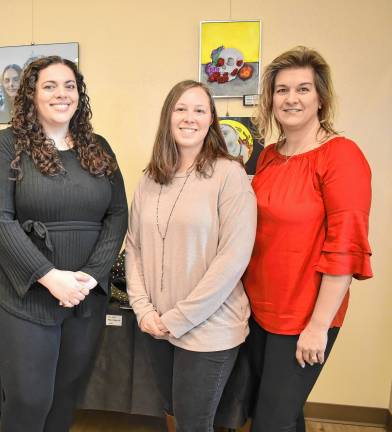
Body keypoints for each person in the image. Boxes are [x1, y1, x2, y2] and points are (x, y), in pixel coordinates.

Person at [0, 55, 127, 432]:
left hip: (83, 296)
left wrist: (91, 276)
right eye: (50, 86)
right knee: (30, 400)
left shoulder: (99, 147)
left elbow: (118, 215)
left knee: (63, 398)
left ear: (80, 94)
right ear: (31, 94)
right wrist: (47, 275)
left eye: (69, 86)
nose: (62, 94)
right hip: (19, 295)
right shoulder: (6, 146)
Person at [242, 46, 372, 431]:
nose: (291, 99)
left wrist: (318, 325)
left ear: (320, 99)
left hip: (303, 317)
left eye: (302, 89)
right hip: (258, 310)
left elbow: (346, 247)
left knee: (272, 422)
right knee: (280, 415)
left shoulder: (341, 156)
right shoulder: (268, 157)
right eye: (282, 90)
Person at [125, 80, 257, 432]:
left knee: (194, 423)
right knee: (173, 413)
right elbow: (133, 247)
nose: (189, 117)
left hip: (209, 327)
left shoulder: (229, 175)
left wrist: (179, 318)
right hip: (157, 325)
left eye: (199, 110)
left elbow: (233, 258)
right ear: (168, 117)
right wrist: (144, 310)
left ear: (211, 119)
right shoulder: (150, 179)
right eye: (181, 109)